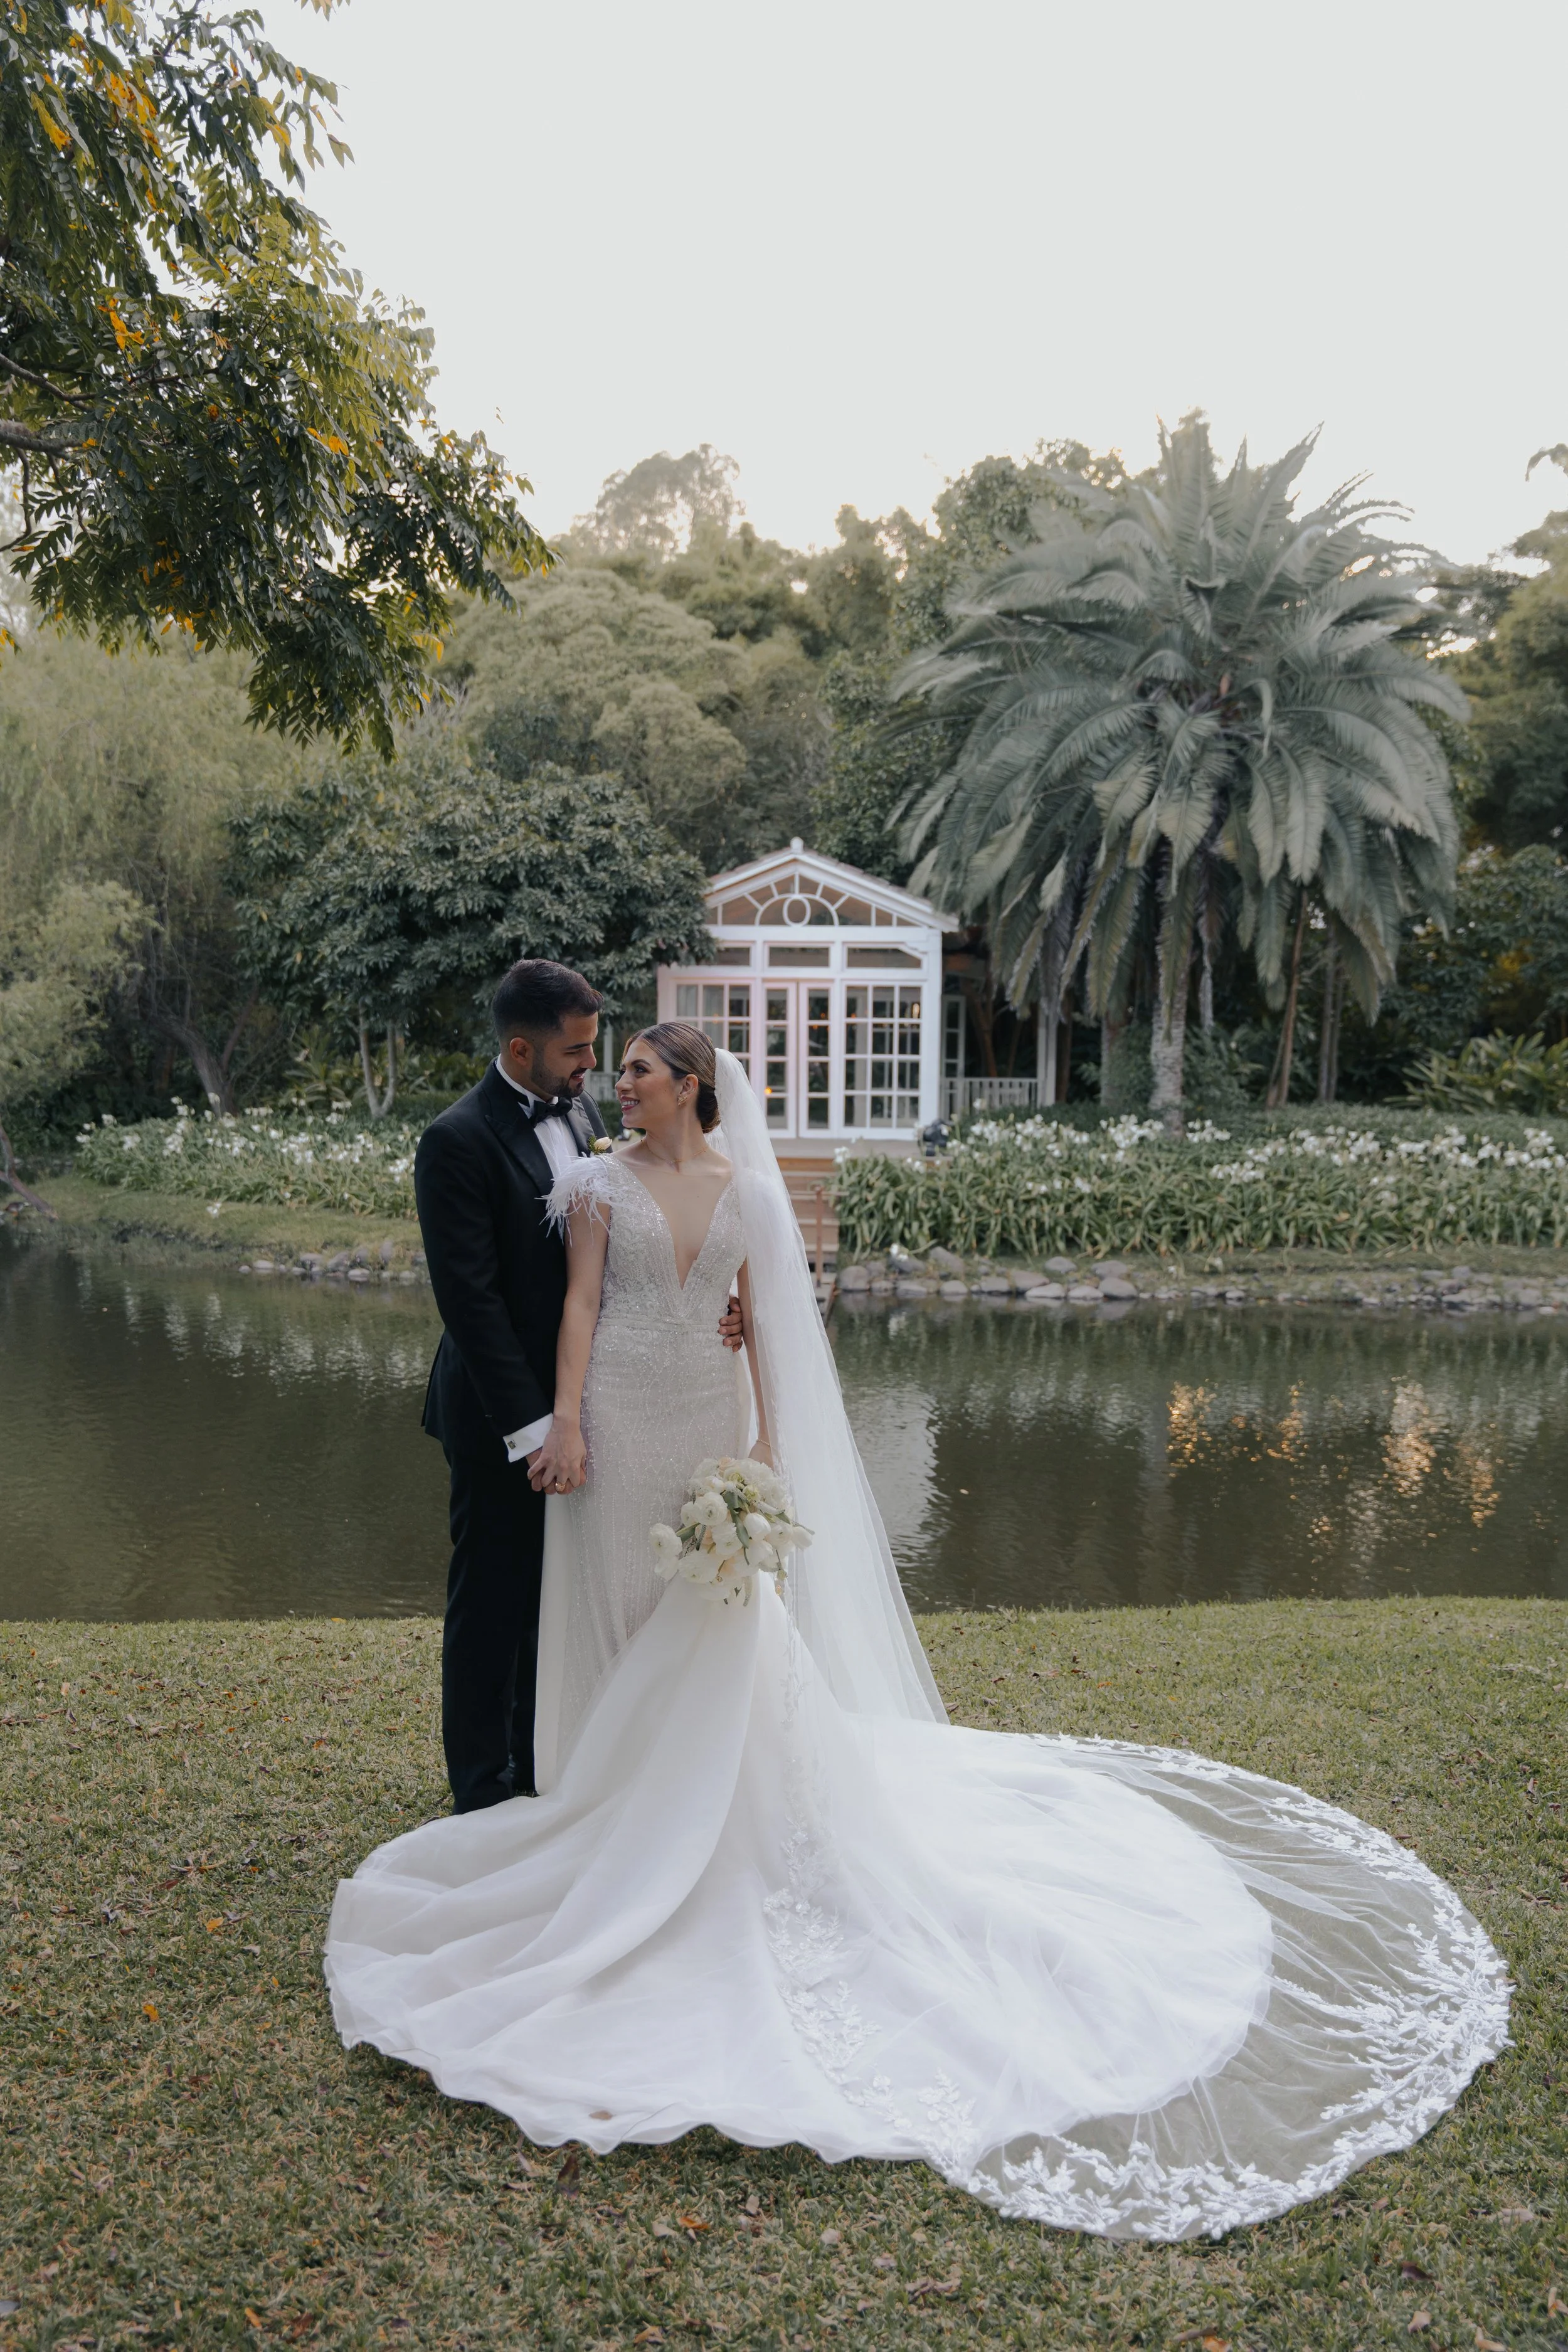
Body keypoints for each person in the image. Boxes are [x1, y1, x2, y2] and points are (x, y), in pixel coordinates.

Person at [329, 1025, 1509, 2241]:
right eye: (611, 1065)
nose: (617, 1082)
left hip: (707, 1421)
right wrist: (568, 1420)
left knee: (719, 1616)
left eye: (637, 1068)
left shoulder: (749, 1193)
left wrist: (767, 1443)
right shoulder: (593, 1184)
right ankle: (603, 1803)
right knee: (617, 1609)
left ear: (689, 1087)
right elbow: (579, 1306)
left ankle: (709, 1818)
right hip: (620, 1419)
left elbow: (765, 1322)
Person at [413, 963, 736, 1812]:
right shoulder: (456, 1140)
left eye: (600, 1050)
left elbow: (624, 1251)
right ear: (522, 1049)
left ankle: (545, 1760)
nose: (595, 1067)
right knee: (493, 1596)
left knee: (561, 1595)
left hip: (600, 1405)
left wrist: (716, 1305)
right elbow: (471, 1304)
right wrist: (538, 1429)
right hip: (503, 1413)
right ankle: (482, 1789)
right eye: (579, 1051)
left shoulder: (585, 1111)